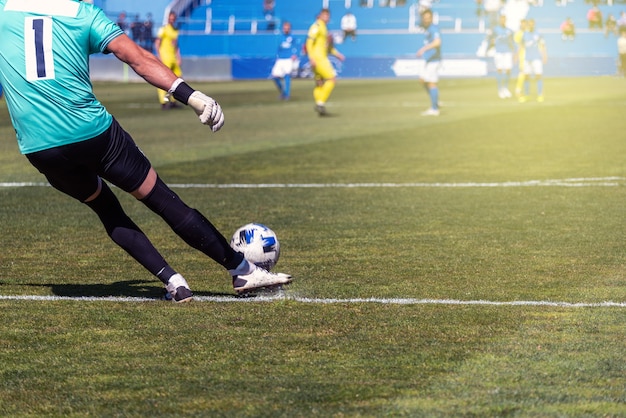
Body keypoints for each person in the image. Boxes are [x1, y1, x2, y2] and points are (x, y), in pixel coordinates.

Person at [0, 0, 292, 302]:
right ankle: (241, 269)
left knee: (106, 209)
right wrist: (191, 96)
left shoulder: (4, 10)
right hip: (92, 133)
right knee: (161, 199)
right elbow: (137, 58)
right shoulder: (83, 14)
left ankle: (173, 281)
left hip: (39, 147)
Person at [306, 8, 345, 116]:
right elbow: (309, 42)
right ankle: (320, 103)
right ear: (320, 16)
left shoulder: (324, 28)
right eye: (324, 15)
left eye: (328, 16)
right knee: (332, 79)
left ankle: (319, 104)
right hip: (319, 59)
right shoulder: (316, 26)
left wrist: (338, 55)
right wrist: (311, 58)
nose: (326, 18)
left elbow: (328, 47)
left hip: (320, 58)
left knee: (319, 83)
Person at [416, 8, 442, 116]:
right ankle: (435, 100)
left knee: (431, 83)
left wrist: (424, 49)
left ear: (432, 18)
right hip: (429, 60)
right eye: (424, 18)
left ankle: (435, 109)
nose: (426, 19)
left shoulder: (433, 28)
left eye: (428, 17)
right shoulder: (427, 28)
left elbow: (437, 42)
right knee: (423, 80)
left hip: (434, 60)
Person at [155, 11, 182, 109]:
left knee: (178, 79)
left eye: (173, 18)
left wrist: (178, 57)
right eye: (170, 18)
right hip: (165, 57)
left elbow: (176, 45)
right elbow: (157, 43)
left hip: (173, 58)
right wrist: (159, 56)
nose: (172, 19)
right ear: (168, 18)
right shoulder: (163, 29)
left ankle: (174, 101)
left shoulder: (175, 30)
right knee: (164, 80)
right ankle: (164, 102)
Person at [518, 19, 547, 103]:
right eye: (529, 24)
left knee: (538, 76)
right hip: (527, 58)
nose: (531, 25)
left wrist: (544, 56)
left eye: (532, 24)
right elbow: (521, 45)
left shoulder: (538, 34)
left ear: (534, 24)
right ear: (528, 25)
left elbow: (542, 45)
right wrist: (516, 55)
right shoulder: (524, 34)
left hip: (536, 58)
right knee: (526, 77)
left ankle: (540, 95)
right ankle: (527, 95)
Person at [271, 21, 301, 101]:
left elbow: (298, 46)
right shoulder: (280, 37)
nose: (286, 29)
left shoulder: (293, 37)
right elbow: (278, 48)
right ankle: (283, 93)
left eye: (287, 28)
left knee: (287, 75)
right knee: (274, 76)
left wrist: (295, 54)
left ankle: (287, 95)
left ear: (290, 28)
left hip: (288, 59)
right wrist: (277, 56)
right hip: (280, 59)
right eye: (284, 28)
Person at [489, 13, 515, 98]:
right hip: (499, 52)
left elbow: (512, 41)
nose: (502, 21)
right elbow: (491, 39)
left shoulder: (509, 31)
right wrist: (492, 44)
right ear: (499, 20)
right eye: (501, 19)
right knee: (499, 70)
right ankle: (500, 89)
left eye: (504, 19)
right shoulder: (495, 30)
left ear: (505, 20)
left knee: (508, 70)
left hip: (507, 51)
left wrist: (514, 51)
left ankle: (505, 88)